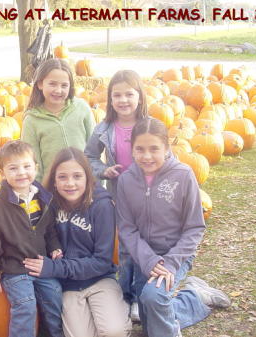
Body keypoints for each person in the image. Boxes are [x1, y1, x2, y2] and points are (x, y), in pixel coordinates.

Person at [116, 118, 230, 337]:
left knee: (153, 298)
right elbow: (127, 229)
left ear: (166, 148)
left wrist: (169, 263)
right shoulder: (126, 181)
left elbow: (195, 227)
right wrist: (149, 261)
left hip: (175, 254)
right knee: (150, 320)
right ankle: (194, 296)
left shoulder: (183, 175)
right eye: (140, 149)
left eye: (154, 149)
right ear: (132, 149)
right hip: (144, 257)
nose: (147, 156)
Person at [23, 147, 132, 337]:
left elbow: (102, 261)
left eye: (77, 176)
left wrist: (53, 268)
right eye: (62, 177)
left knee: (114, 332)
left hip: (100, 279)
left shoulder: (102, 205)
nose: (70, 183)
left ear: (87, 177)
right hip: (68, 286)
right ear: (54, 181)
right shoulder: (47, 205)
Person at [0, 140, 64, 337]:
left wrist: (54, 247)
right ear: (3, 173)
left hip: (40, 264)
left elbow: (48, 229)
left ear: (36, 168)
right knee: (26, 305)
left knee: (54, 295)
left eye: (26, 166)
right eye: (13, 168)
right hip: (14, 267)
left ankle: (53, 334)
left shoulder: (43, 198)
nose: (21, 173)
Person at [84, 69, 148, 322]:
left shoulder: (149, 126)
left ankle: (140, 298)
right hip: (119, 196)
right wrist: (103, 170)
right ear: (110, 99)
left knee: (143, 246)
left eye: (129, 94)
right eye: (117, 95)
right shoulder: (104, 129)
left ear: (140, 96)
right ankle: (126, 295)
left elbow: (166, 157)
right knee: (124, 249)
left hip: (146, 197)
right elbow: (89, 157)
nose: (123, 100)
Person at [21, 58, 96, 182]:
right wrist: (40, 195)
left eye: (64, 85)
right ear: (40, 84)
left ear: (70, 86)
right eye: (52, 84)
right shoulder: (31, 121)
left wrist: (97, 184)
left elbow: (94, 150)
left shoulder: (81, 108)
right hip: (52, 189)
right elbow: (33, 164)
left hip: (84, 185)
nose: (58, 90)